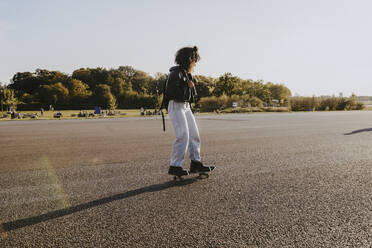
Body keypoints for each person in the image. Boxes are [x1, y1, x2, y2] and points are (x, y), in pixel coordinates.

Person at [164, 46, 215, 177]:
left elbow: (189, 94)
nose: (196, 62)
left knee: (194, 135)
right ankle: (175, 166)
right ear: (189, 59)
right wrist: (187, 84)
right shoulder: (175, 73)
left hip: (185, 106)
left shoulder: (187, 73)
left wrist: (190, 84)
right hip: (175, 105)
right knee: (183, 136)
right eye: (194, 59)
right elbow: (171, 92)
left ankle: (196, 163)